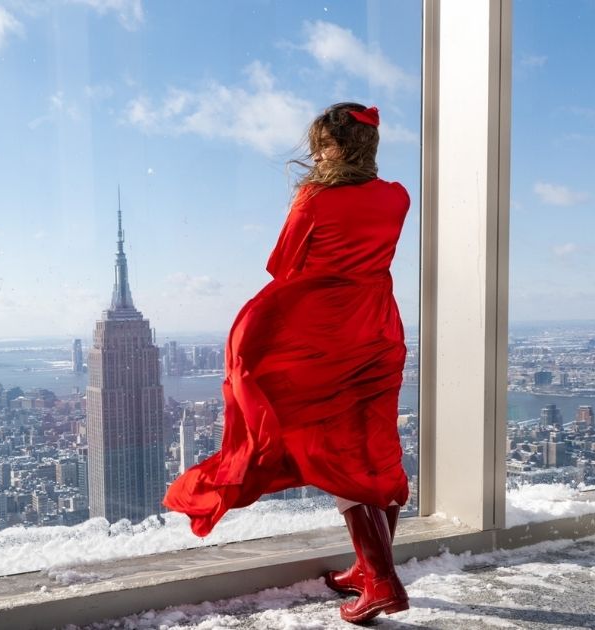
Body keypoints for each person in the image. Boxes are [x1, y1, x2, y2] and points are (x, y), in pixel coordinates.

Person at [163, 102, 411, 624]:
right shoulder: (397, 197)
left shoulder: (314, 198)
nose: (315, 154)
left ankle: (383, 582)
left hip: (322, 336)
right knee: (371, 450)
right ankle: (372, 567)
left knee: (326, 448)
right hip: (378, 329)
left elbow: (282, 262)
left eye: (321, 144)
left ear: (338, 147)